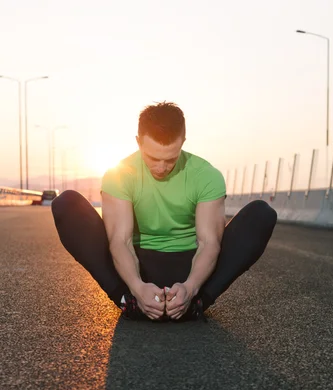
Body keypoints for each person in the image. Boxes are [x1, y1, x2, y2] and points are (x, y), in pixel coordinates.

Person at [52, 102, 277, 322]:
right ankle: (127, 300)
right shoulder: (119, 174)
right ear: (138, 142)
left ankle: (197, 302)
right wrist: (137, 287)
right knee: (66, 203)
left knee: (261, 214)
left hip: (189, 267)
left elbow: (209, 243)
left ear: (183, 142)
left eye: (170, 159)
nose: (161, 168)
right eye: (152, 158)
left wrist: (190, 287)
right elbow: (121, 240)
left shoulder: (206, 175)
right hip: (138, 265)